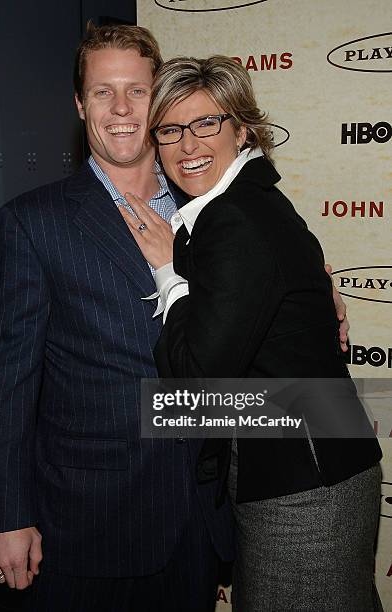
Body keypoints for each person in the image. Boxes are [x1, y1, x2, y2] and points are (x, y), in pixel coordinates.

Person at [0, 24, 238, 612]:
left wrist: (318, 292)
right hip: (91, 521)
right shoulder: (32, 224)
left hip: (200, 514)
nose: (121, 109)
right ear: (79, 103)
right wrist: (6, 513)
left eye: (138, 91)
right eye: (102, 92)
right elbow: (3, 383)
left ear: (161, 98)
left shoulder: (211, 207)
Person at [120, 55, 383, 611]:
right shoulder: (243, 205)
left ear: (242, 130)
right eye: (170, 130)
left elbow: (196, 386)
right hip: (313, 467)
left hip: (304, 490)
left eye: (207, 123)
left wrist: (169, 274)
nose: (188, 144)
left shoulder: (235, 218)